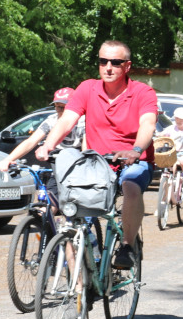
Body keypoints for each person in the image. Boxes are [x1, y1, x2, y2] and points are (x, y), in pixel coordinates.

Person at [36, 40, 156, 270]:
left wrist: (136, 150)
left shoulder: (142, 92)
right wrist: (48, 145)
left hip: (132, 160)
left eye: (115, 62)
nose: (108, 67)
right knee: (73, 218)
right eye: (103, 61)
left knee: (131, 185)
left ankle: (128, 246)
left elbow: (148, 124)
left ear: (127, 66)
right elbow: (67, 120)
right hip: (96, 163)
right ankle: (79, 286)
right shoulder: (87, 88)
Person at [0, 87, 83, 174]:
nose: (59, 111)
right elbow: (31, 141)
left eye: (62, 107)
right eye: (56, 107)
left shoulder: (83, 122)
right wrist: (8, 160)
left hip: (80, 166)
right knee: (50, 187)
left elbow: (87, 148)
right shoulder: (51, 121)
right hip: (58, 166)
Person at [156, 107, 183, 189]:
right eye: (177, 118)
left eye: (181, 119)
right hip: (172, 152)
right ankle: (166, 181)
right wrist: (157, 134)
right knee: (164, 162)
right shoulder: (171, 128)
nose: (179, 121)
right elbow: (162, 134)